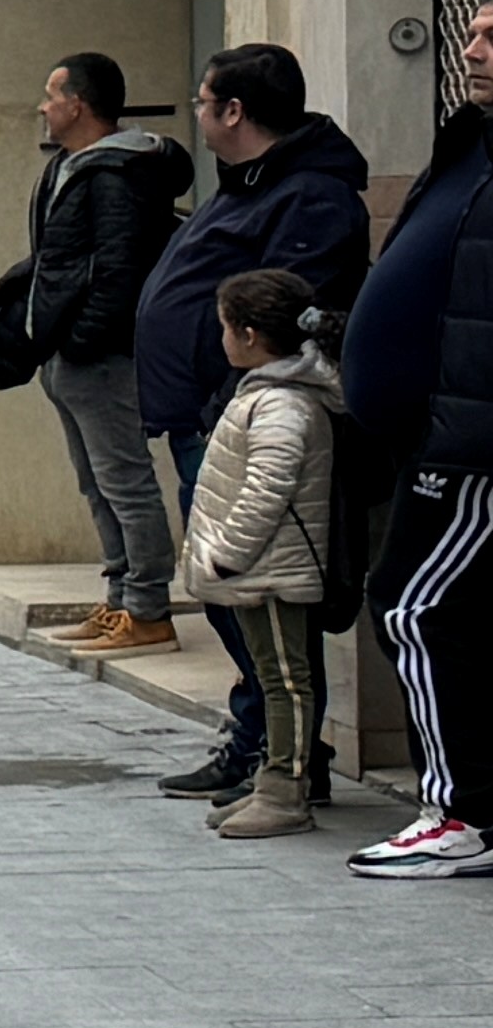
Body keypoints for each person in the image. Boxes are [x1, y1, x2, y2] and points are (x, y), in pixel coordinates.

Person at [140, 44, 376, 803]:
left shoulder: (309, 195)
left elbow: (283, 312)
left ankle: (278, 756)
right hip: (210, 421)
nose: (199, 114)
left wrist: (222, 401)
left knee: (252, 591)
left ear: (234, 111)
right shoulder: (248, 185)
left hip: (245, 425)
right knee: (225, 587)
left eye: (204, 101)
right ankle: (258, 741)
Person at [347, 0, 493, 875]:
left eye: (491, 35)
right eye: (472, 32)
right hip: (441, 439)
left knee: (413, 603)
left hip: (471, 449)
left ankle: (457, 813)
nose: (471, 48)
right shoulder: (471, 141)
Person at [23, 52, 191, 652]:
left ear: (79, 104)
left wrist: (82, 338)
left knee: (124, 480)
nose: (43, 107)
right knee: (96, 482)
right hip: (69, 357)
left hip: (101, 356)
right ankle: (120, 597)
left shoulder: (116, 173)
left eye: (51, 94)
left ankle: (147, 608)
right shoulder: (72, 168)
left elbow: (119, 272)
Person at [177, 270, 343, 841]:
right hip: (261, 566)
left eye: (223, 326)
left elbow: (266, 490)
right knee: (276, 678)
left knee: (287, 683)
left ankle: (285, 792)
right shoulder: (267, 392)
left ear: (248, 335)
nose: (219, 337)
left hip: (270, 569)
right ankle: (273, 782)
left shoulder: (281, 404)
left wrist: (228, 556)